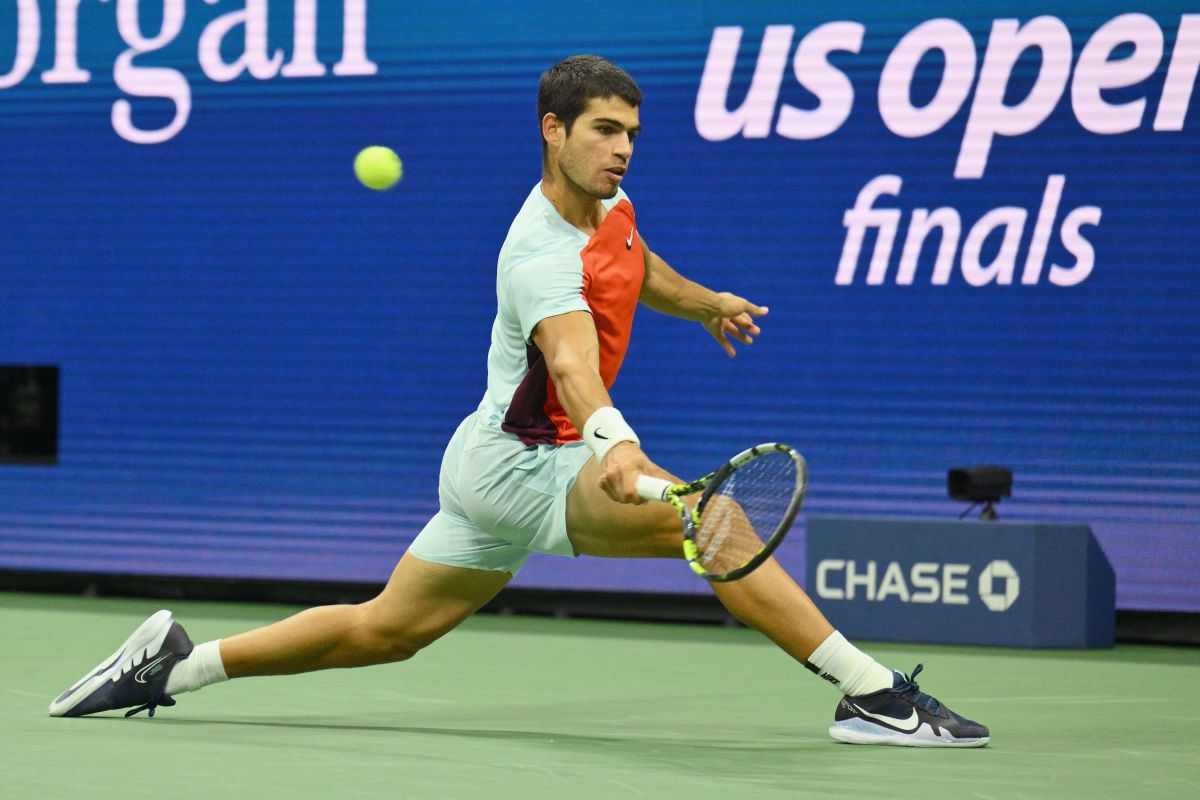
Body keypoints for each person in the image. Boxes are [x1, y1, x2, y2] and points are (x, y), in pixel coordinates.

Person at [49, 55, 988, 747]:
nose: (621, 150)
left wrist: (700, 303)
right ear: (553, 129)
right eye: (602, 132)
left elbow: (632, 263)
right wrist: (613, 442)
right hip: (531, 465)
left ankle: (178, 662)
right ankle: (872, 697)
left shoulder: (607, 207)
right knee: (713, 521)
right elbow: (573, 365)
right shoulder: (538, 256)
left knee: (386, 631)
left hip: (486, 460)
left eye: (630, 134)